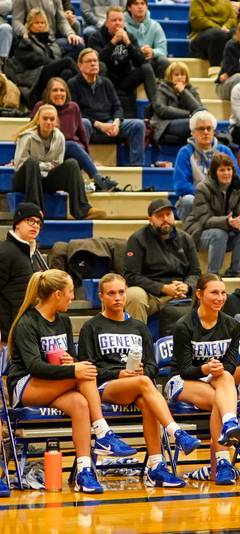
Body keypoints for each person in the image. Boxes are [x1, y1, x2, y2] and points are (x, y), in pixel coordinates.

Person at [6, 269, 137, 494]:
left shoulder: (63, 321)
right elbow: (34, 366)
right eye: (69, 293)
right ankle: (103, 432)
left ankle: (85, 472)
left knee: (81, 404)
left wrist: (71, 362)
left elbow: (71, 360)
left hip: (55, 384)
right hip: (26, 385)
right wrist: (73, 369)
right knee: (84, 373)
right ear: (57, 294)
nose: (72, 297)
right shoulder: (27, 323)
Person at [78, 273, 203, 488]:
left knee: (148, 398)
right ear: (101, 297)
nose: (117, 297)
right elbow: (87, 368)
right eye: (111, 293)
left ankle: (156, 467)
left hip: (136, 388)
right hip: (105, 388)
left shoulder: (139, 327)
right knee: (146, 384)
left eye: (121, 292)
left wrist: (144, 370)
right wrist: (118, 375)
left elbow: (153, 366)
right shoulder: (91, 327)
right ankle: (177, 433)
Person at [166, 274, 240, 485]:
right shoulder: (184, 325)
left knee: (226, 377)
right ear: (200, 294)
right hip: (182, 380)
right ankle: (222, 462)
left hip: (215, 378)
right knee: (219, 401)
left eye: (223, 293)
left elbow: (231, 364)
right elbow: (184, 370)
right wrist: (204, 368)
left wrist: (219, 368)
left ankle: (222, 458)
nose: (220, 297)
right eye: (214, 292)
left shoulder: (231, 325)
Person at [173, 110, 240, 239]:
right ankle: (193, 241)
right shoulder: (185, 152)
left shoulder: (224, 150)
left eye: (209, 128)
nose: (206, 132)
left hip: (224, 201)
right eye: (201, 129)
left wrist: (222, 199)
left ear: (214, 131)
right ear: (193, 132)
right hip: (198, 200)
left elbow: (237, 180)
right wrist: (208, 197)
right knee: (187, 201)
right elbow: (181, 186)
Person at [13, 105, 105, 220]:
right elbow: (20, 165)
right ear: (38, 120)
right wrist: (43, 165)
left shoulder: (59, 137)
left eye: (52, 119)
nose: (48, 122)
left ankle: (83, 209)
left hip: (45, 179)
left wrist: (43, 166)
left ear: (56, 121)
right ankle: (34, 211)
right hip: (25, 180)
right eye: (45, 118)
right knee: (32, 162)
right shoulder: (27, 137)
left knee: (71, 163)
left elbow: (58, 164)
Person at [123, 199, 201, 323]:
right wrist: (162, 288)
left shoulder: (186, 239)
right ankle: (137, 340)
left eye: (168, 214)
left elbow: (195, 273)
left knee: (213, 290)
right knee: (134, 295)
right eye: (159, 216)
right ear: (150, 220)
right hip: (151, 294)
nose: (165, 219)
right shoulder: (137, 239)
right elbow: (131, 276)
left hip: (181, 292)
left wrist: (188, 286)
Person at [32, 77, 117, 191]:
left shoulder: (73, 107)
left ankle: (91, 181)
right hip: (47, 151)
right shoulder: (41, 107)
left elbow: (82, 135)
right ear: (48, 93)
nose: (59, 93)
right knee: (71, 145)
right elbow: (32, 131)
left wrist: (88, 159)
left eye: (62, 90)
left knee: (76, 146)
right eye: (55, 90)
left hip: (68, 153)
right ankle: (99, 180)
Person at [68, 48, 146, 166]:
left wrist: (116, 122)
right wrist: (99, 124)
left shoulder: (106, 82)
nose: (93, 63)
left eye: (95, 60)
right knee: (84, 123)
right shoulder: (73, 84)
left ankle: (137, 167)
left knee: (138, 125)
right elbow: (76, 113)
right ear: (80, 65)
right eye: (89, 61)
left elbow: (117, 107)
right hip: (91, 125)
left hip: (109, 122)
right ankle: (85, 164)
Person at [184, 153, 240, 277]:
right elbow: (204, 220)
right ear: (215, 173)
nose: (226, 173)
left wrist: (239, 221)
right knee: (219, 234)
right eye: (222, 170)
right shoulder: (202, 188)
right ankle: (213, 275)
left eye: (229, 169)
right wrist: (227, 221)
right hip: (199, 232)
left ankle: (234, 273)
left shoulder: (239, 187)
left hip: (226, 230)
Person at [87, 6, 156, 117]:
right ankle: (101, 107)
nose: (117, 23)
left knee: (146, 68)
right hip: (106, 80)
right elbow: (95, 62)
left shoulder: (129, 36)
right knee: (101, 65)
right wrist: (113, 42)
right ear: (106, 23)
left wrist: (128, 44)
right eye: (114, 20)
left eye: (120, 20)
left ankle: (156, 107)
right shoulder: (96, 37)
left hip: (125, 80)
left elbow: (141, 62)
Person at [5, 8, 78, 108]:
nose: (40, 25)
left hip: (48, 70)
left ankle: (66, 105)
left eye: (43, 22)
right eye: (37, 23)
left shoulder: (50, 41)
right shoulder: (25, 42)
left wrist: (57, 64)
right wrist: (57, 64)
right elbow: (38, 60)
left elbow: (56, 57)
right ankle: (83, 81)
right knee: (67, 61)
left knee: (67, 73)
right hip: (35, 76)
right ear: (30, 25)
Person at [0, 204, 47, 341]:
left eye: (38, 222)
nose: (35, 225)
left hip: (27, 331)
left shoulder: (34, 254)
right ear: (17, 224)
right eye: (30, 220)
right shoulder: (5, 252)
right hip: (8, 334)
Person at [151, 61, 204, 146]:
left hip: (185, 121)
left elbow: (199, 110)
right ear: (170, 77)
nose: (179, 77)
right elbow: (162, 110)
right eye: (176, 75)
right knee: (193, 123)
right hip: (165, 124)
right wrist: (189, 114)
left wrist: (183, 92)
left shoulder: (191, 90)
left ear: (186, 77)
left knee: (204, 121)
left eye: (182, 75)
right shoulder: (161, 89)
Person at [12, 0, 85, 60]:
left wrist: (70, 33)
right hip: (33, 41)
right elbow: (16, 21)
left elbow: (61, 20)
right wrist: (25, 32)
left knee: (77, 44)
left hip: (52, 40)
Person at [124, 0, 170, 78]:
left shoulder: (155, 26)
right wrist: (136, 53)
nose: (140, 7)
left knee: (164, 62)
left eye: (143, 3)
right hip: (130, 62)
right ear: (129, 7)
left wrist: (152, 52)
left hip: (149, 61)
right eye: (136, 4)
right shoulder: (122, 25)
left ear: (146, 7)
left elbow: (163, 50)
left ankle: (160, 88)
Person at [188, 0, 235, 72]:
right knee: (217, 34)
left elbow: (233, 18)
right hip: (200, 37)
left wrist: (226, 26)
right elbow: (199, 20)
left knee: (236, 33)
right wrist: (219, 29)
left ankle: (236, 69)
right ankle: (215, 71)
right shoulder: (196, 1)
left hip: (223, 31)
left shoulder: (226, 1)